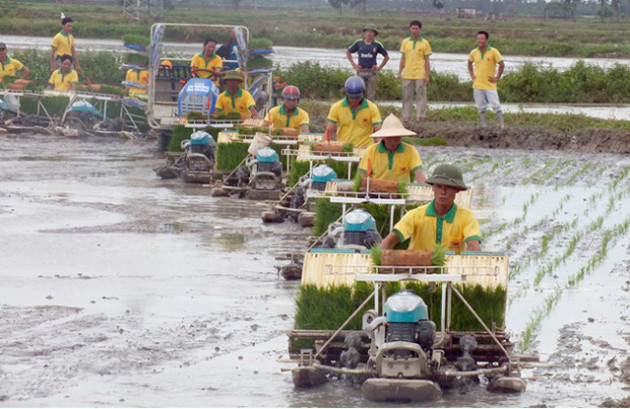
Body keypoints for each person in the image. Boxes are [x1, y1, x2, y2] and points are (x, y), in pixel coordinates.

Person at [380, 164, 481, 253]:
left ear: (457, 190)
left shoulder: (467, 217)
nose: (443, 192)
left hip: (451, 271)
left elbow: (474, 247)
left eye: (448, 187)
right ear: (433, 188)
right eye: (439, 186)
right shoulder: (415, 215)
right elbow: (388, 243)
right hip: (417, 271)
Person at [358, 114, 425, 184]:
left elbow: (419, 174)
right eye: (389, 137)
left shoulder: (410, 150)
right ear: (383, 136)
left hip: (401, 191)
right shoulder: (371, 151)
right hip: (376, 192)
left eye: (397, 137)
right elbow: (363, 176)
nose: (393, 141)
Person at [326, 75, 382, 147]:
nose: (354, 101)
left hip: (365, 148)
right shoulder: (336, 107)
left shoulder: (372, 108)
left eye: (357, 98)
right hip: (344, 148)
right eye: (351, 98)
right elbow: (329, 131)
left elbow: (379, 133)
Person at [467, 30, 505, 128]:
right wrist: (472, 75)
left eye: (482, 39)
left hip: (489, 85)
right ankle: (484, 125)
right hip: (477, 85)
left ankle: (501, 125)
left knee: (496, 106)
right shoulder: (474, 52)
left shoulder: (493, 51)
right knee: (481, 107)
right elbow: (469, 63)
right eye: (478, 38)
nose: (479, 40)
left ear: (486, 40)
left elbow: (501, 64)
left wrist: (497, 77)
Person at [397, 20, 432, 123]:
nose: (414, 31)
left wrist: (427, 75)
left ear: (420, 30)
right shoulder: (405, 42)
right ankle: (406, 117)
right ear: (410, 29)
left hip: (420, 74)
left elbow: (427, 61)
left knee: (421, 96)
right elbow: (403, 58)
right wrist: (399, 73)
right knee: (406, 96)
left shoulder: (425, 43)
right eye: (413, 28)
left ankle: (420, 117)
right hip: (407, 73)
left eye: (416, 29)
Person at [346, 24, 389, 101]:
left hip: (371, 72)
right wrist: (354, 65)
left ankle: (370, 111)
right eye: (368, 31)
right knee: (359, 93)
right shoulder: (358, 43)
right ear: (365, 32)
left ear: (374, 34)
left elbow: (386, 57)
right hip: (360, 72)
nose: (369, 33)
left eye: (371, 32)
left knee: (371, 95)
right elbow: (348, 52)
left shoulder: (377, 44)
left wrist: (379, 67)